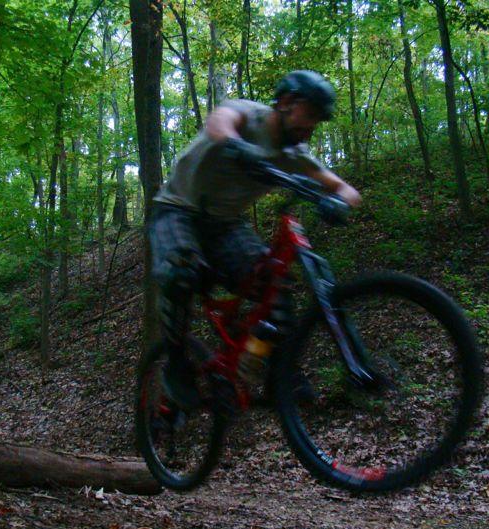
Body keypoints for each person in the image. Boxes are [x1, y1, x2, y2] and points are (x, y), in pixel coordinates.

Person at [149, 70, 362, 410]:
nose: (311, 127)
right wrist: (237, 145)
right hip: (177, 210)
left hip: (225, 226)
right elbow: (220, 122)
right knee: (180, 271)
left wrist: (340, 201)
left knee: (275, 283)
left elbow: (344, 188)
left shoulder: (294, 154)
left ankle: (281, 371)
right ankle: (176, 364)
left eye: (318, 121)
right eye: (310, 115)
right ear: (286, 103)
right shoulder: (248, 114)